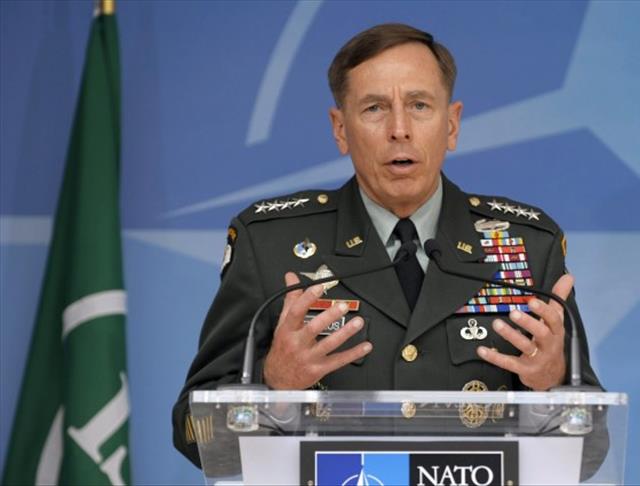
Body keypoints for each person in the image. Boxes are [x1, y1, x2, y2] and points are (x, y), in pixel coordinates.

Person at [172, 23, 601, 467]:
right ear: (341, 129)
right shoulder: (270, 245)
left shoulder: (528, 246)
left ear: (451, 124)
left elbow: (593, 448)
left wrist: (553, 388)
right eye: (375, 108)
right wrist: (271, 386)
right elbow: (190, 432)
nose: (400, 129)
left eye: (419, 105)